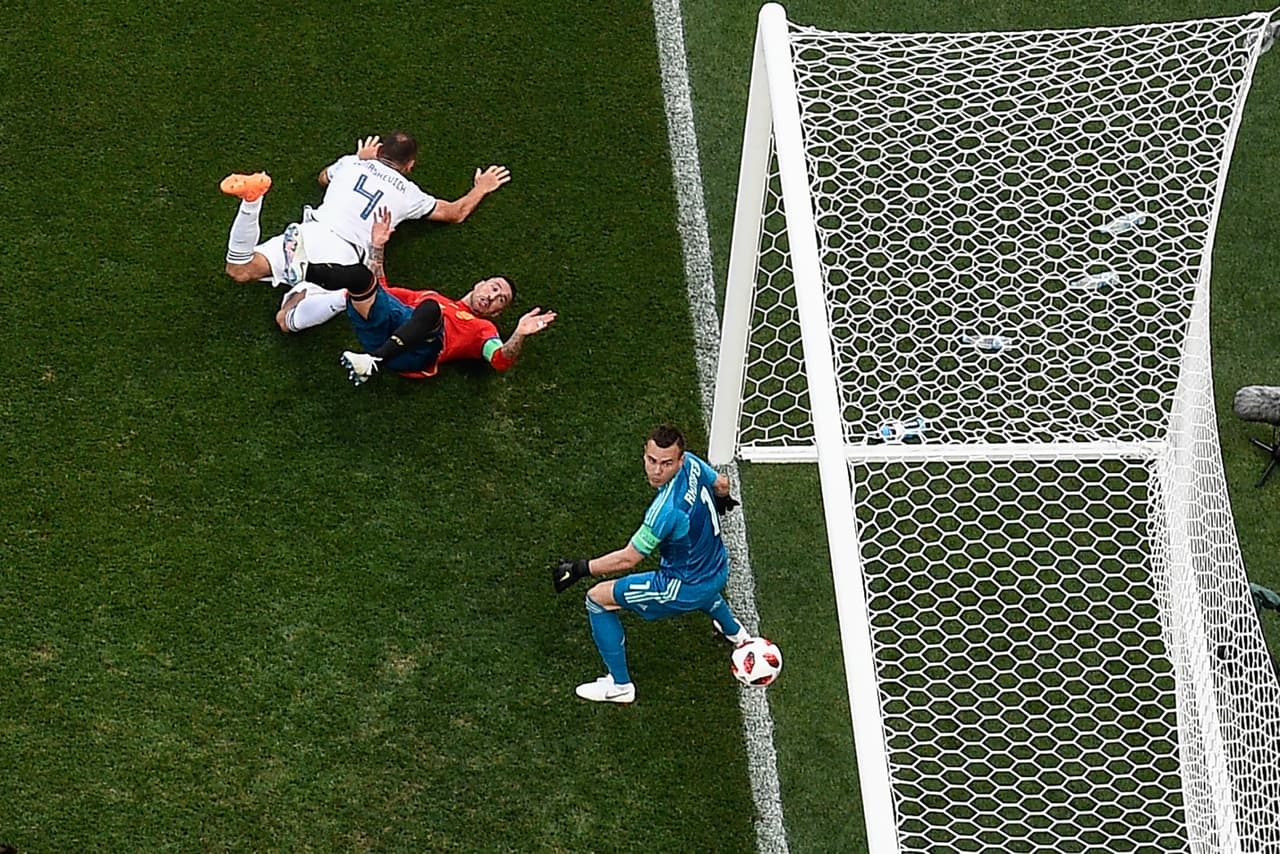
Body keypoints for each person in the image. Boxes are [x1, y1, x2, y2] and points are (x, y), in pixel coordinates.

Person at [552, 425, 752, 704]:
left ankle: (620, 686)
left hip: (682, 586)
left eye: (666, 463)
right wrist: (721, 501)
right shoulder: (693, 463)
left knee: (597, 599)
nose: (657, 471)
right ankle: (737, 634)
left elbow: (629, 558)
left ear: (679, 461)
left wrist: (579, 568)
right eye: (652, 461)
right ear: (645, 455)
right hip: (718, 567)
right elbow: (722, 484)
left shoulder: (665, 511)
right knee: (705, 588)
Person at [220, 131, 511, 295]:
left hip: (313, 232)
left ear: (379, 150)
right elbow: (455, 213)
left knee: (240, 269)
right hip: (345, 256)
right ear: (410, 166)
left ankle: (251, 201)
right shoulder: (409, 193)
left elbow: (323, 178)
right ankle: (324, 288)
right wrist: (481, 188)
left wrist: (358, 157)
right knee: (290, 320)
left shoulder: (353, 164)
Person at [297, 208, 556, 386]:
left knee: (431, 310)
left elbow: (499, 360)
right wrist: (377, 245)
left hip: (415, 354)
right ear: (480, 284)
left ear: (497, 313)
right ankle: (301, 268)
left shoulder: (483, 328)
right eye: (495, 287)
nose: (493, 296)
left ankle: (374, 361)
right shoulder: (429, 295)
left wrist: (519, 333)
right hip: (384, 329)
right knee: (362, 278)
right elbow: (382, 292)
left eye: (501, 299)